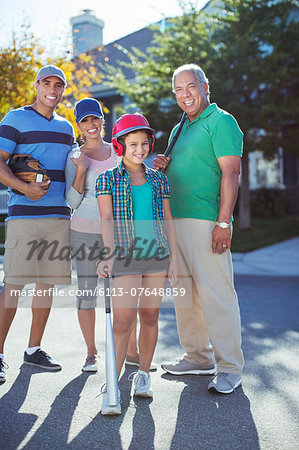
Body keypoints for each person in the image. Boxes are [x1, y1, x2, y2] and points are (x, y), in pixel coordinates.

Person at [155, 63, 244, 394]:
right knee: (185, 295)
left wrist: (224, 222)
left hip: (207, 221)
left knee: (216, 294)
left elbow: (231, 174)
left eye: (190, 86)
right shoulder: (180, 129)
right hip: (176, 222)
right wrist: (163, 165)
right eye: (178, 90)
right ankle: (197, 357)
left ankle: (230, 367)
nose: (185, 94)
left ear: (205, 86)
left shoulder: (221, 122)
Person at [96, 113, 178, 415]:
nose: (140, 149)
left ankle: (144, 375)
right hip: (126, 257)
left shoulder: (159, 179)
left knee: (150, 316)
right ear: (120, 146)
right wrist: (107, 254)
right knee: (122, 322)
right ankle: (113, 384)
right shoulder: (107, 179)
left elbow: (168, 220)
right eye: (133, 144)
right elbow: (106, 219)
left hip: (157, 254)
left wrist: (176, 260)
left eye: (144, 144)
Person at [0, 65, 76, 382]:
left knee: (46, 286)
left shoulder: (67, 128)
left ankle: (33, 350)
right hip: (24, 215)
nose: (53, 90)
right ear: (36, 85)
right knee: (14, 286)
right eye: (47, 83)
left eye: (59, 85)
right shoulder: (14, 119)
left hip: (58, 216)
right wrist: (24, 188)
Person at [65, 97, 117, 372]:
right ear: (79, 125)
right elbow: (71, 202)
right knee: (87, 294)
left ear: (101, 120)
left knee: (121, 294)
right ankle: (91, 353)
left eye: (94, 118)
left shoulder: (117, 153)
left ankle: (127, 350)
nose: (90, 124)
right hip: (83, 233)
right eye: (84, 120)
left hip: (115, 234)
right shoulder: (74, 156)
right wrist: (81, 168)